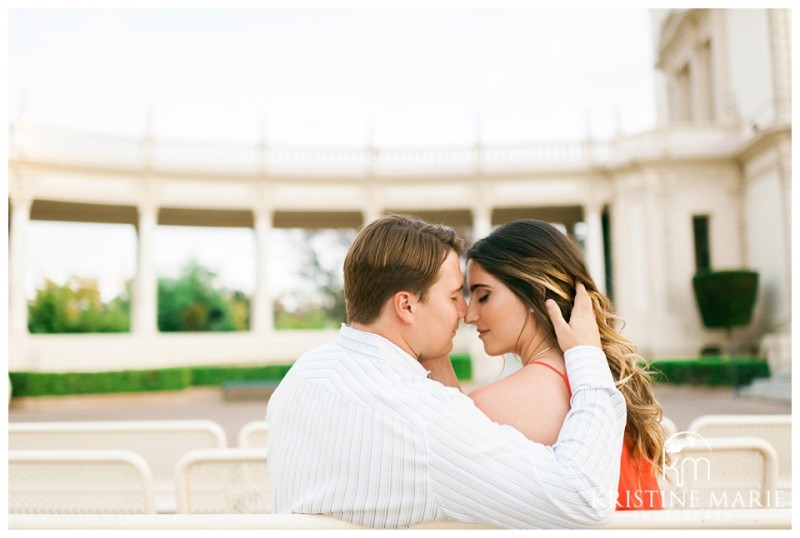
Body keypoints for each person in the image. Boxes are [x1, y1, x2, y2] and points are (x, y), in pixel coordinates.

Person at [266, 214, 627, 529]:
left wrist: (431, 351)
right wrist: (587, 358)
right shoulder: (427, 419)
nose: (463, 313)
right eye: (454, 296)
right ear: (406, 306)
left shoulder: (299, 378)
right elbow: (582, 496)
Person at [465, 219, 665, 511]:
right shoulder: (612, 382)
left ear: (532, 293)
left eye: (483, 296)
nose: (469, 316)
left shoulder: (489, 406)